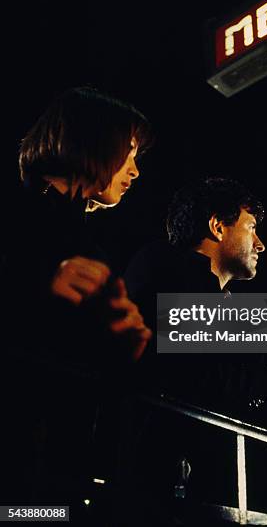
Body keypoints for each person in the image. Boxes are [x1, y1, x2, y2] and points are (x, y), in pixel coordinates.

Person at [119, 178, 267, 525]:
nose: (261, 245)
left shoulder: (226, 307)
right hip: (181, 495)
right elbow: (191, 373)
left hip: (242, 496)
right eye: (251, 228)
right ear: (216, 226)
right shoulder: (165, 266)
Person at [0, 86, 152, 513]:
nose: (135, 170)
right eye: (130, 150)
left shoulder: (91, 245)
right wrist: (33, 285)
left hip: (57, 472)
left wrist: (128, 343)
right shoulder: (18, 211)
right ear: (93, 138)